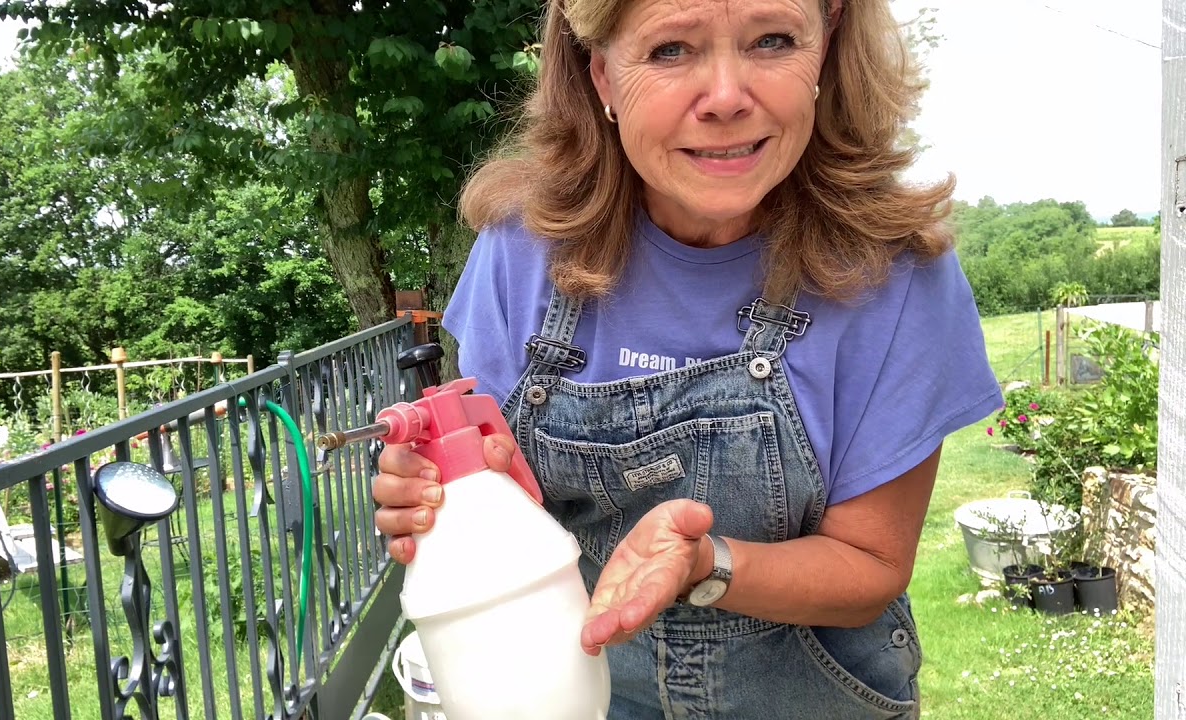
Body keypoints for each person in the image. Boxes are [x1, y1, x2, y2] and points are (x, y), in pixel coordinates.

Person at [372, 0, 1002, 716]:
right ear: (601, 75)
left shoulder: (893, 274)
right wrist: (441, 495)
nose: (729, 97)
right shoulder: (521, 254)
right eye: (672, 49)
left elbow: (871, 567)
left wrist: (705, 562)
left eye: (772, 40)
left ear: (825, 46)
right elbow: (504, 504)